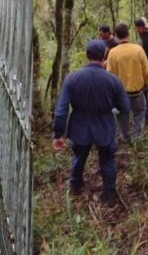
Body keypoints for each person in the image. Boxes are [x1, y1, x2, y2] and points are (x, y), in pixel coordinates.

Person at [52, 39, 130, 204]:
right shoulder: (113, 80)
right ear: (104, 56)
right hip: (105, 126)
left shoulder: (72, 78)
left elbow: (61, 110)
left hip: (80, 127)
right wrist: (111, 108)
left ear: (87, 55)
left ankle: (75, 188)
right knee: (107, 160)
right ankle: (108, 196)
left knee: (79, 157)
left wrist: (58, 134)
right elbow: (125, 107)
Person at [106, 23, 148, 143]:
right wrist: (146, 83)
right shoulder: (138, 49)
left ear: (115, 36)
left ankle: (125, 137)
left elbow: (109, 75)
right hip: (137, 91)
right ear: (128, 34)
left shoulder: (113, 53)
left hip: (120, 93)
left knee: (122, 116)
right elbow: (146, 70)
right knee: (139, 113)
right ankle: (136, 138)